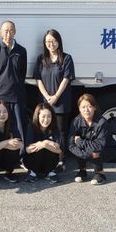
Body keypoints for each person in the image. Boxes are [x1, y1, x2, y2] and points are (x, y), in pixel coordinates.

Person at [33, 29, 75, 171]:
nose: (51, 44)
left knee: (61, 131)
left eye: (54, 41)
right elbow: (38, 79)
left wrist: (56, 96)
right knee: (44, 130)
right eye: (48, 41)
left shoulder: (66, 58)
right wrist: (47, 97)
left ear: (59, 42)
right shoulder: (41, 59)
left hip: (61, 101)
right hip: (45, 102)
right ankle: (45, 157)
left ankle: (61, 159)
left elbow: (66, 78)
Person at [0, 20, 28, 145]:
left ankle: (19, 153)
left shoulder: (21, 51)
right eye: (6, 31)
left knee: (17, 129)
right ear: (1, 33)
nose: (8, 34)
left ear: (15, 32)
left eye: (11, 31)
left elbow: (22, 74)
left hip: (15, 96)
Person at [68, 93, 116, 185]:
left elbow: (98, 146)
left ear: (94, 107)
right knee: (79, 148)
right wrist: (82, 153)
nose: (86, 110)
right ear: (79, 109)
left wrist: (80, 142)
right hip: (88, 148)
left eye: (89, 106)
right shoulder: (76, 121)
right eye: (83, 107)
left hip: (107, 149)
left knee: (95, 151)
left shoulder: (102, 122)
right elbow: (71, 144)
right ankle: (82, 171)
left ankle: (100, 173)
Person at [23, 103, 63, 183]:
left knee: (50, 149)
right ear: (37, 116)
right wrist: (44, 144)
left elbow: (59, 150)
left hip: (49, 163)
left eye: (49, 116)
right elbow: (27, 149)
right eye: (43, 116)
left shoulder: (54, 127)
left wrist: (44, 144)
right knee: (38, 150)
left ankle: (50, 172)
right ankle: (33, 173)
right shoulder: (32, 126)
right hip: (33, 162)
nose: (46, 119)